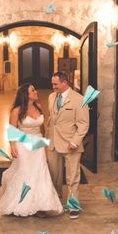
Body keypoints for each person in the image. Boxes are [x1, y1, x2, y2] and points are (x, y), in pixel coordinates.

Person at [0, 83, 63, 217]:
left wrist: (44, 141)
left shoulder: (38, 107)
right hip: (24, 145)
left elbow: (42, 127)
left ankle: (41, 205)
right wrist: (12, 146)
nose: (36, 92)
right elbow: (12, 131)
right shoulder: (17, 111)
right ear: (26, 94)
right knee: (25, 173)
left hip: (38, 145)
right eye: (33, 90)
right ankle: (21, 202)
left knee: (40, 173)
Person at [46, 71, 89, 219]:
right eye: (52, 83)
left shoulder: (79, 99)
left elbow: (83, 124)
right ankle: (56, 201)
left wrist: (75, 142)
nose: (53, 87)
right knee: (54, 175)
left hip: (71, 144)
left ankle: (73, 205)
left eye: (55, 84)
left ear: (65, 83)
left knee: (72, 177)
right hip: (52, 144)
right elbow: (52, 120)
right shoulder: (51, 97)